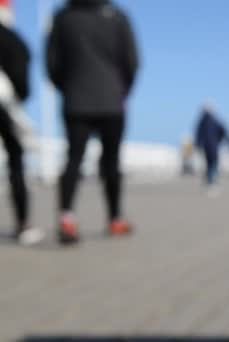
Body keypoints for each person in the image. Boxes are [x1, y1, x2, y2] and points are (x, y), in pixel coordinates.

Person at [46, 0, 139, 245]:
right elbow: (131, 61)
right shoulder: (117, 16)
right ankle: (114, 218)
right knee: (111, 161)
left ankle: (67, 218)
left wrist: (68, 88)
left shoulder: (63, 17)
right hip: (111, 100)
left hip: (75, 100)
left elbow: (52, 63)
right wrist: (121, 91)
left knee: (73, 158)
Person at [0, 0, 44, 245]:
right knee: (16, 160)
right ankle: (23, 223)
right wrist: (20, 94)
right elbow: (21, 68)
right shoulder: (10, 38)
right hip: (3, 107)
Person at [195, 105, 226, 190]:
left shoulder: (202, 121)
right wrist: (219, 140)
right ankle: (212, 181)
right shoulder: (215, 120)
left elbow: (198, 135)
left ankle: (210, 181)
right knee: (213, 164)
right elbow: (223, 130)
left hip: (206, 147)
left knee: (209, 164)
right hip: (214, 146)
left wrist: (199, 144)